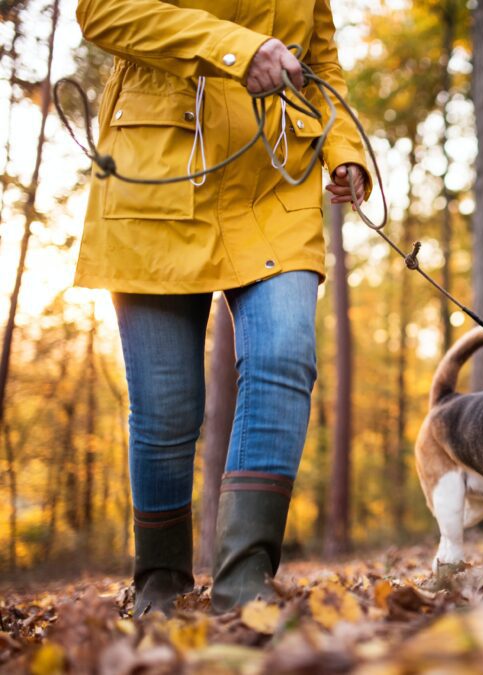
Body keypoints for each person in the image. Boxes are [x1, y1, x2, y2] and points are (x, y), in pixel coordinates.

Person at [72, 0, 371, 615]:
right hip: (156, 176)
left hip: (275, 180)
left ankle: (245, 583)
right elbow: (101, 13)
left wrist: (346, 149)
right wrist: (235, 48)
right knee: (166, 409)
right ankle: (160, 582)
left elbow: (321, 65)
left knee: (284, 356)